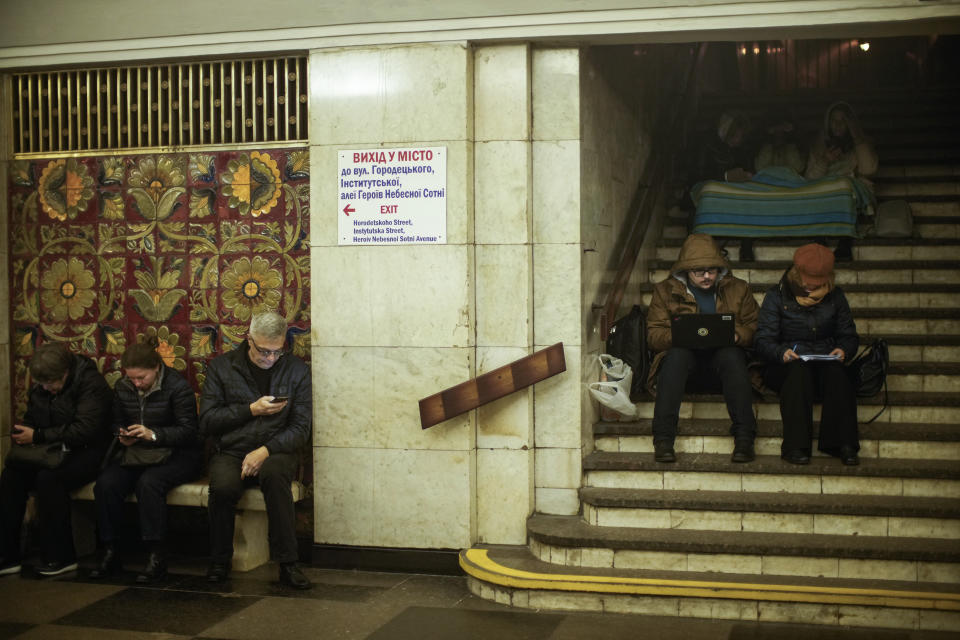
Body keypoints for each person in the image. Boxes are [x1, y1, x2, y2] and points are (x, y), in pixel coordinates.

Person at [199, 311, 312, 589]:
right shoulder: (222, 367)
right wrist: (250, 410)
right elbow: (208, 421)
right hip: (232, 448)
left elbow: (300, 428)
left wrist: (265, 450)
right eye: (263, 351)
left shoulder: (296, 370)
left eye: (277, 352)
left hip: (276, 450)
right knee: (223, 488)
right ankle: (219, 561)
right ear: (248, 339)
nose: (270, 358)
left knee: (275, 479)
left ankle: (288, 564)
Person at [89, 337, 203, 583]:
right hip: (137, 453)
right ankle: (111, 550)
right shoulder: (123, 387)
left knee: (149, 483)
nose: (137, 383)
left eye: (142, 378)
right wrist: (123, 434)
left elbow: (189, 431)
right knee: (106, 484)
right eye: (132, 378)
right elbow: (115, 421)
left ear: (156, 369)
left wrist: (153, 434)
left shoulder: (177, 388)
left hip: (177, 454)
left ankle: (156, 555)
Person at [0, 342, 112, 577]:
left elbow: (86, 429)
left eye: (52, 383)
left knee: (49, 479)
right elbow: (34, 416)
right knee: (11, 475)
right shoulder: (43, 387)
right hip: (51, 450)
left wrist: (39, 435)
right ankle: (7, 555)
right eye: (42, 384)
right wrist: (27, 432)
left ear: (65, 373)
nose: (47, 388)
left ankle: (59, 556)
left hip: (88, 452)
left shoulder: (91, 384)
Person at [646, 234, 760, 464]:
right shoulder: (664, 291)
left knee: (731, 354)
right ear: (686, 271)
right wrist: (681, 335)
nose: (707, 276)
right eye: (699, 272)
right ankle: (663, 440)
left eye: (712, 270)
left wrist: (737, 335)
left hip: (725, 371)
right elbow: (654, 336)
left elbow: (756, 328)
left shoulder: (739, 288)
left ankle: (745, 439)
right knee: (677, 355)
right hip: (684, 373)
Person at [753, 243, 860, 466]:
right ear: (796, 274)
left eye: (818, 282)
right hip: (787, 365)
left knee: (838, 374)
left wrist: (844, 350)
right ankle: (796, 447)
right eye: (807, 281)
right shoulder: (777, 295)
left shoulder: (836, 296)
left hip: (824, 360)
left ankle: (842, 444)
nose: (811, 286)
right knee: (798, 373)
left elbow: (848, 335)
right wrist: (781, 352)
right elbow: (763, 339)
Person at [804, 102, 879, 261]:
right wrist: (825, 160)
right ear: (828, 123)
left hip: (852, 192)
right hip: (828, 193)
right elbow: (809, 178)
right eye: (833, 120)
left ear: (850, 124)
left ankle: (845, 242)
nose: (838, 125)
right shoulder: (819, 144)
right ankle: (819, 241)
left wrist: (858, 139)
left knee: (844, 188)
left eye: (843, 121)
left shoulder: (863, 142)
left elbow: (869, 169)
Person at [694, 109, 759, 262]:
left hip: (734, 194)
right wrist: (725, 177)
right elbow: (697, 175)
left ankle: (746, 246)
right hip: (713, 193)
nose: (738, 140)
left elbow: (747, 169)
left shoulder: (741, 150)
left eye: (741, 136)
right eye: (736, 135)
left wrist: (746, 175)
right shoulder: (707, 146)